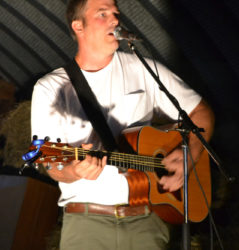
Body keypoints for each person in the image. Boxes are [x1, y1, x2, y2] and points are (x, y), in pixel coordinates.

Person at [31, 0, 215, 249]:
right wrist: (74, 171)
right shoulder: (51, 88)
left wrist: (191, 153)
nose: (115, 20)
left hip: (147, 222)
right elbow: (51, 166)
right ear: (79, 26)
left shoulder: (144, 69)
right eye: (103, 14)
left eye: (116, 14)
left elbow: (200, 112)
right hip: (87, 225)